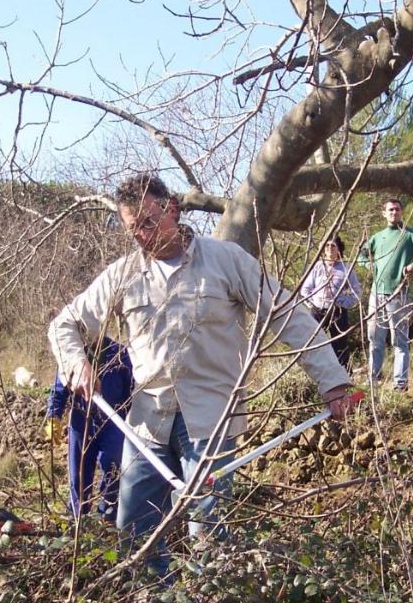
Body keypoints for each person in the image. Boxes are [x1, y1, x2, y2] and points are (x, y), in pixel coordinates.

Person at [48, 174, 354, 573]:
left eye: (147, 221)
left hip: (210, 420)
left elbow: (288, 316)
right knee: (133, 533)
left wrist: (331, 380)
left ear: (172, 209)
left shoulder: (226, 260)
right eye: (131, 228)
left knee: (209, 536)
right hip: (146, 425)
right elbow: (63, 325)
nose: (141, 235)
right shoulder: (124, 274)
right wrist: (78, 364)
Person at [44, 337, 133, 523]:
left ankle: (108, 516)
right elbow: (59, 389)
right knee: (79, 472)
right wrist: (53, 416)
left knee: (112, 466)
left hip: (113, 421)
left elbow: (131, 391)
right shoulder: (73, 355)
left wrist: (131, 420)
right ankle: (78, 519)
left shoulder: (119, 353)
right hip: (81, 420)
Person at [357, 197, 413, 391]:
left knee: (399, 341)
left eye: (397, 210)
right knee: (375, 340)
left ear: (402, 212)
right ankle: (373, 381)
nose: (394, 213)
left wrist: (412, 266)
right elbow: (360, 256)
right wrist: (369, 265)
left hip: (399, 295)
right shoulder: (377, 237)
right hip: (377, 295)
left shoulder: (409, 235)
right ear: (384, 213)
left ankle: (400, 384)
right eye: (390, 210)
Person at [299, 236, 362, 367]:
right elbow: (305, 289)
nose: (329, 249)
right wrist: (312, 304)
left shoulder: (346, 269)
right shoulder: (317, 267)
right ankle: (311, 371)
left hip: (337, 312)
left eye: (332, 246)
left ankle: (342, 376)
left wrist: (343, 303)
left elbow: (356, 293)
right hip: (317, 311)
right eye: (327, 246)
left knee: (340, 344)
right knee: (312, 342)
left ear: (339, 249)